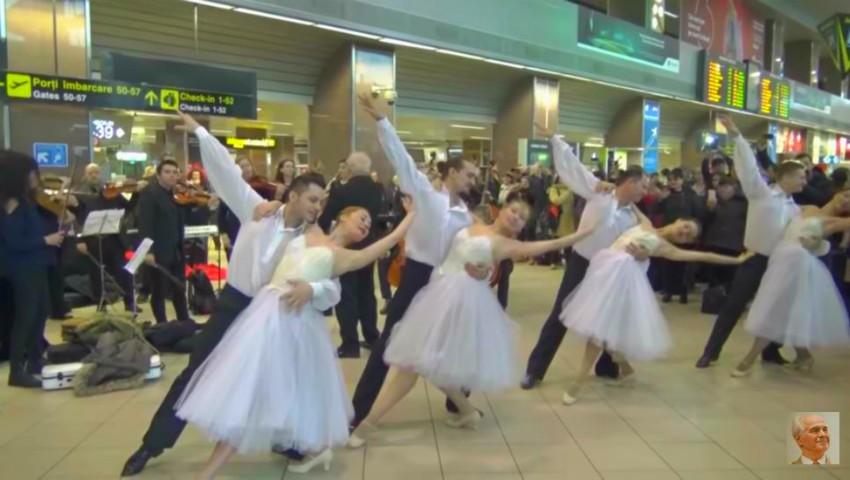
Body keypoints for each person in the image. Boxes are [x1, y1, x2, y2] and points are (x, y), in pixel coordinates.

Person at [121, 112, 341, 477]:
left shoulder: (312, 238)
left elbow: (332, 285)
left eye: (322, 202)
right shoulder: (256, 209)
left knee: (278, 379)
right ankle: (152, 445)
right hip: (235, 303)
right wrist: (201, 133)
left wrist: (313, 288)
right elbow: (225, 172)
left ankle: (281, 438)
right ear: (294, 195)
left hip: (275, 314)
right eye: (313, 200)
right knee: (196, 371)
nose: (317, 208)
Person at [176, 204, 415, 478]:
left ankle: (207, 473)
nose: (366, 225)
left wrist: (411, 214)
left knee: (264, 391)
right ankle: (314, 450)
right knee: (259, 389)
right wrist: (274, 204)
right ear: (342, 216)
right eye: (362, 217)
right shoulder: (310, 229)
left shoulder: (345, 257)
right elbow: (301, 200)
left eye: (369, 224)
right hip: (266, 315)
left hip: (295, 325)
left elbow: (389, 241)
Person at [348, 193, 595, 445]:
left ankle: (369, 424)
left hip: (458, 306)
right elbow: (447, 206)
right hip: (436, 294)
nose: (516, 217)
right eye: (514, 211)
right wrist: (417, 202)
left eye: (522, 218)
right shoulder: (472, 221)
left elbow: (550, 245)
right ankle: (467, 412)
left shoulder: (506, 245)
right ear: (502, 209)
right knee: (427, 363)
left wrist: (583, 234)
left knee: (412, 363)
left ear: (522, 228)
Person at [350, 93, 485, 430]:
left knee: (454, 342)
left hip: (447, 283)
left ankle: (458, 405)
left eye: (475, 177)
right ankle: (358, 412)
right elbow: (402, 160)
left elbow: (474, 251)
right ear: (451, 173)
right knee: (388, 344)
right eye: (469, 175)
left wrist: (482, 269)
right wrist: (382, 121)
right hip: (415, 278)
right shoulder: (425, 194)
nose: (473, 181)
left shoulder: (466, 216)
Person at [559, 213, 747, 405]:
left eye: (689, 236)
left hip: (621, 288)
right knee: (605, 330)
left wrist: (736, 260)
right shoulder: (645, 222)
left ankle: (578, 383)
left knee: (598, 333)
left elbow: (705, 256)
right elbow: (630, 204)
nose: (684, 233)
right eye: (686, 227)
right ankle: (626, 368)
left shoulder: (666, 248)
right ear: (679, 220)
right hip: (605, 277)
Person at [521, 127, 650, 390]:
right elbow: (574, 167)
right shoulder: (599, 192)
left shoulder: (634, 216)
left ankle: (606, 367)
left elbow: (646, 241)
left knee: (608, 318)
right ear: (630, 182)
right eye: (643, 186)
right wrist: (554, 139)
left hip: (609, 271)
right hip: (582, 262)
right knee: (560, 314)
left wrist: (641, 254)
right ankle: (535, 370)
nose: (645, 192)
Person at [695, 116, 806, 368]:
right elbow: (749, 168)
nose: (804, 181)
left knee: (777, 308)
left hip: (780, 263)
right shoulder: (762, 194)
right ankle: (711, 352)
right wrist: (736, 136)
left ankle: (770, 351)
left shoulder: (795, 209)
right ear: (786, 177)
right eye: (801, 177)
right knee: (733, 305)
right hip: (754, 259)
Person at [732, 193, 850, 377]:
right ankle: (804, 356)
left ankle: (749, 359)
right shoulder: (807, 208)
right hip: (780, 260)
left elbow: (815, 243)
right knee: (786, 310)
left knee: (775, 309)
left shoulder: (835, 222)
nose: (846, 201)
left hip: (797, 265)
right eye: (846, 196)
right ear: (837, 194)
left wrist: (817, 244)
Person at [0, 151, 65, 387]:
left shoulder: (26, 201)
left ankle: (35, 360)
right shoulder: (11, 203)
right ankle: (16, 370)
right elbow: (14, 241)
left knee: (41, 312)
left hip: (36, 264)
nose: (35, 177)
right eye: (31, 173)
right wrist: (46, 240)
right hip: (21, 267)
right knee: (25, 318)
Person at [318, 151, 384, 358]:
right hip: (369, 245)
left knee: (346, 295)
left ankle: (350, 344)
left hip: (346, 247)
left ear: (351, 168)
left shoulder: (341, 191)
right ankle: (372, 337)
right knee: (367, 292)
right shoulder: (378, 189)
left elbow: (326, 217)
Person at [75, 163, 141, 311]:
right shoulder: (81, 194)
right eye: (91, 173)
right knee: (96, 274)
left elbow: (129, 207)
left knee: (124, 271)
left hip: (115, 239)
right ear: (85, 175)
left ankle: (129, 302)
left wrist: (136, 193)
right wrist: (80, 239)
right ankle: (101, 304)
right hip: (93, 240)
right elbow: (79, 219)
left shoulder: (113, 192)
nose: (94, 176)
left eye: (97, 172)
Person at [137, 160, 191, 324]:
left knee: (179, 288)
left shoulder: (176, 195)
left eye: (175, 172)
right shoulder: (149, 193)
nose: (172, 175)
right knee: (159, 291)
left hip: (176, 250)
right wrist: (148, 251)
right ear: (158, 175)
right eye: (167, 172)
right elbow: (145, 224)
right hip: (159, 251)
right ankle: (162, 325)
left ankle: (184, 322)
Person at [656, 168, 704, 304]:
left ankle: (683, 292)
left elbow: (697, 213)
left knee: (684, 264)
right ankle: (668, 291)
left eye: (675, 179)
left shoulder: (690, 195)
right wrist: (660, 200)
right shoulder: (666, 194)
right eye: (670, 180)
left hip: (685, 234)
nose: (673, 182)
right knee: (667, 264)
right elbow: (657, 210)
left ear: (682, 180)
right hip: (669, 233)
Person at [703, 176, 747, 293]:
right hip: (715, 244)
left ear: (734, 188)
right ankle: (714, 297)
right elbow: (704, 222)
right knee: (714, 277)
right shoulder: (713, 202)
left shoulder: (743, 203)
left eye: (726, 187)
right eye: (720, 187)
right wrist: (710, 209)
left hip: (734, 245)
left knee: (731, 277)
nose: (723, 190)